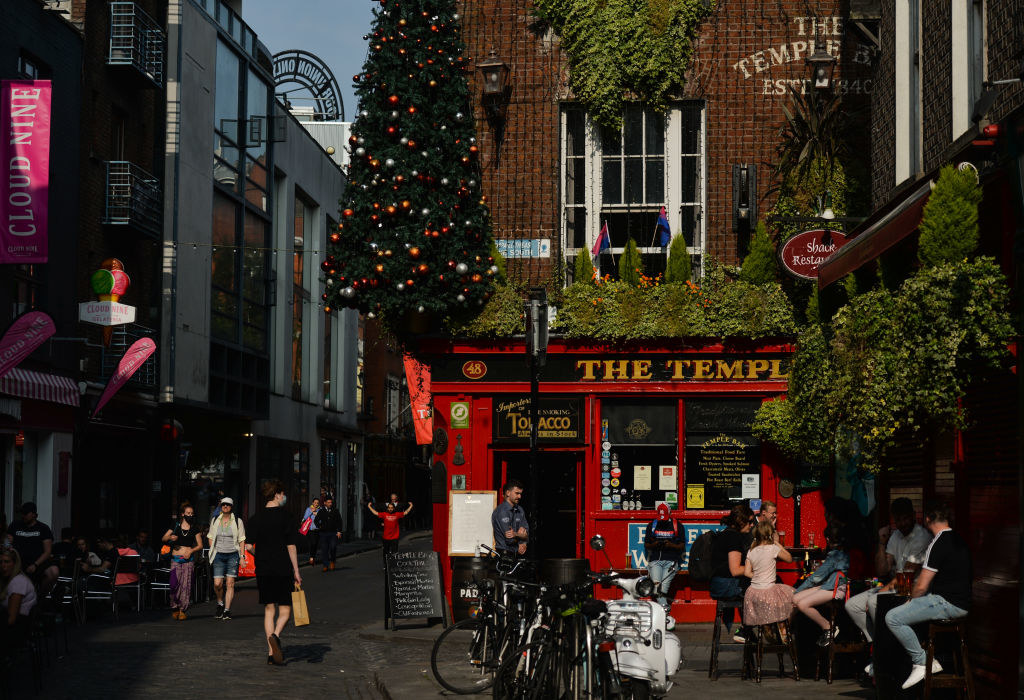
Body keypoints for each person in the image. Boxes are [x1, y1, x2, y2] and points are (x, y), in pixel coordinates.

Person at [885, 500, 971, 690]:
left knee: (893, 617)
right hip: (961, 604)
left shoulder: (937, 542)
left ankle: (922, 662)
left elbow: (922, 585)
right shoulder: (959, 539)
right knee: (906, 615)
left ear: (928, 519)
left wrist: (910, 601)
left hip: (946, 603)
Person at [846, 496, 931, 673]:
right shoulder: (896, 536)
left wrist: (880, 593)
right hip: (896, 586)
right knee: (852, 605)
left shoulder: (921, 537)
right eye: (898, 519)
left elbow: (906, 577)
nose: (902, 523)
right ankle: (878, 647)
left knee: (873, 602)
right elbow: (882, 570)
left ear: (914, 516)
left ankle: (885, 652)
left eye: (905, 518)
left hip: (913, 590)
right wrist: (882, 542)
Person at [246, 479, 302, 666]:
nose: (284, 497)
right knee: (285, 610)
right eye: (283, 494)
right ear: (277, 494)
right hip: (283, 567)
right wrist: (296, 570)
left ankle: (271, 654)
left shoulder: (256, 518)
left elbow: (247, 545)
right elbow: (291, 546)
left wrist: (259, 553)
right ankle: (276, 636)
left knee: (269, 610)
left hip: (263, 568)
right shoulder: (287, 517)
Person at [792, 525, 850, 646]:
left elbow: (816, 578)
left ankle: (828, 628)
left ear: (828, 540)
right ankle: (787, 631)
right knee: (795, 599)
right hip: (830, 584)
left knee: (802, 604)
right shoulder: (841, 552)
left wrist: (798, 590)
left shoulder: (836, 555)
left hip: (835, 587)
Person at [709, 503, 755, 642]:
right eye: (750, 521)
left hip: (719, 584)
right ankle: (745, 630)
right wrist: (756, 571)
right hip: (726, 585)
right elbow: (735, 570)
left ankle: (748, 632)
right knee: (763, 590)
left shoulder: (727, 534)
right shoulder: (733, 537)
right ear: (741, 521)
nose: (752, 525)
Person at [743, 519, 795, 626]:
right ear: (770, 534)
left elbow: (747, 573)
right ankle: (784, 629)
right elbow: (789, 559)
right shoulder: (773, 548)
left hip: (753, 593)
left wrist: (759, 576)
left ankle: (772, 630)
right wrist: (776, 543)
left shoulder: (751, 551)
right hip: (769, 592)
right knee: (796, 597)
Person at [161, 502, 203, 620]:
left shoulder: (195, 528)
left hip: (188, 560)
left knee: (186, 585)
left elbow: (200, 545)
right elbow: (163, 538)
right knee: (174, 584)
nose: (190, 515)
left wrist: (191, 551)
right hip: (175, 559)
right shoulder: (176, 525)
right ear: (183, 514)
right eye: (188, 513)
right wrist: (170, 537)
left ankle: (182, 609)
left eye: (192, 513)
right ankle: (174, 606)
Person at [7, 502, 59, 592]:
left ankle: (40, 595)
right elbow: (8, 543)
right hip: (19, 563)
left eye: (26, 513)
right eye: (22, 513)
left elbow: (48, 551)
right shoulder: (15, 525)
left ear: (35, 515)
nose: (23, 515)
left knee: (54, 572)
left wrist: (35, 564)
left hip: (38, 563)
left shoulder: (43, 528)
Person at [208, 497, 246, 620]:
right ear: (221, 506)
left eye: (228, 505)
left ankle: (227, 610)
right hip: (218, 555)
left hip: (233, 555)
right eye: (223, 504)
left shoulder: (237, 521)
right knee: (217, 584)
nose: (225, 506)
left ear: (231, 507)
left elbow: (242, 539)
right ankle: (220, 603)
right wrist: (213, 549)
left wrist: (242, 556)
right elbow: (210, 536)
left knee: (230, 584)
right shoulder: (215, 520)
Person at [643, 503, 684, 614]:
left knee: (663, 590)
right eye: (660, 518)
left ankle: (662, 616)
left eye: (664, 518)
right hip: (655, 561)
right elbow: (646, 544)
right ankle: (665, 615)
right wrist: (655, 544)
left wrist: (671, 545)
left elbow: (682, 545)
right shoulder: (652, 525)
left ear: (670, 514)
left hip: (671, 561)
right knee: (657, 590)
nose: (662, 520)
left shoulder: (677, 525)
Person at [0, 549, 36, 652]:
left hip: (18, 630)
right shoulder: (8, 580)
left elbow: (10, 620)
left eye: (7, 562)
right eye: (0, 562)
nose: (3, 566)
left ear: (15, 564)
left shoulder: (18, 582)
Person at [491, 480, 528, 556]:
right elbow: (509, 540)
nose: (519, 497)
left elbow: (527, 534)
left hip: (517, 554)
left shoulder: (520, 510)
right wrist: (521, 535)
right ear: (508, 493)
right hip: (504, 555)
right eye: (517, 493)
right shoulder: (502, 512)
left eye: (520, 494)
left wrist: (523, 543)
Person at [314, 497, 343, 572]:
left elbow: (339, 521)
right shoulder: (321, 511)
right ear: (325, 503)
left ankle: (332, 561)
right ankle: (325, 565)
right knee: (324, 549)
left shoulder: (335, 511)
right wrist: (319, 526)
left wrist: (339, 531)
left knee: (333, 547)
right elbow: (316, 520)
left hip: (333, 533)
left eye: (331, 502)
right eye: (329, 502)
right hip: (323, 533)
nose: (330, 504)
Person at [302, 498, 321, 567]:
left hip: (317, 529)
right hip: (310, 530)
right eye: (315, 502)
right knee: (312, 543)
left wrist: (317, 514)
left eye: (317, 503)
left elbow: (321, 520)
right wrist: (311, 512)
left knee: (315, 544)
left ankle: (313, 557)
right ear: (313, 503)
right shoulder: (308, 509)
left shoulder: (320, 510)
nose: (316, 504)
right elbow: (305, 517)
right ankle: (311, 557)